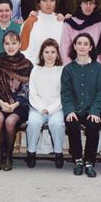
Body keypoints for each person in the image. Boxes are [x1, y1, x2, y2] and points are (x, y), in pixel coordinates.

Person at [60, 33, 101, 178]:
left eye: (86, 44)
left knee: (93, 125)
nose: (82, 47)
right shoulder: (68, 69)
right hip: (74, 109)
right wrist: (69, 111)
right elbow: (65, 93)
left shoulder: (98, 68)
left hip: (91, 109)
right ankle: (78, 161)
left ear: (91, 47)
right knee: (72, 125)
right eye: (79, 43)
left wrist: (95, 111)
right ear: (74, 46)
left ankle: (89, 162)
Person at [0, 31, 33, 171]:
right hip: (1, 102)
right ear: (3, 45)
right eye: (7, 43)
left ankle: (8, 156)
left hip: (20, 104)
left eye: (14, 43)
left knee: (10, 122)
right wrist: (1, 102)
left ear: (20, 44)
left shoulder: (27, 64)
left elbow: (27, 88)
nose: (10, 47)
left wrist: (15, 104)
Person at [26, 39, 65, 169]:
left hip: (57, 108)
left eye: (53, 52)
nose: (50, 55)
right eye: (46, 52)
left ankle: (59, 153)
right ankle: (31, 152)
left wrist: (51, 109)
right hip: (37, 108)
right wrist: (41, 108)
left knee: (57, 123)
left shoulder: (62, 70)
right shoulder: (36, 69)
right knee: (33, 123)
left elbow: (63, 93)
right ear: (42, 54)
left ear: (57, 54)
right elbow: (33, 92)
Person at [20, 0, 64, 64]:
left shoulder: (61, 23)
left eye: (52, 0)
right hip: (34, 68)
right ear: (39, 3)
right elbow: (24, 50)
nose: (48, 4)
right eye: (44, 0)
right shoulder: (30, 22)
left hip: (57, 68)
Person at [60, 0, 101, 64]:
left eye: (91, 3)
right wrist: (71, 67)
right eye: (85, 3)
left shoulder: (100, 23)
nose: (88, 6)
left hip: (95, 65)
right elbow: (64, 49)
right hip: (73, 65)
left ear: (95, 5)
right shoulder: (69, 23)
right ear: (80, 4)